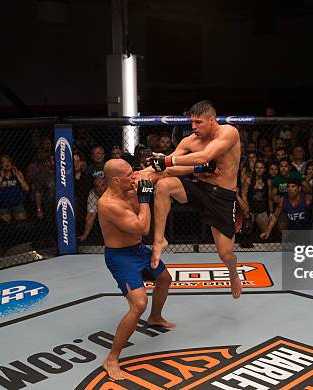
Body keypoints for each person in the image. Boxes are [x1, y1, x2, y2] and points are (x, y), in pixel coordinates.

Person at [145, 100, 243, 299]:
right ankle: (159, 240)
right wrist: (142, 172)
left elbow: (204, 157)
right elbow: (167, 166)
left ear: (212, 120)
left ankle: (233, 273)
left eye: (198, 122)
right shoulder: (189, 141)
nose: (193, 127)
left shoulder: (229, 132)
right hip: (200, 190)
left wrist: (165, 160)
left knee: (225, 254)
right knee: (163, 183)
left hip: (223, 197)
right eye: (192, 122)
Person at [97, 159, 175, 381]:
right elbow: (143, 227)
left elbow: (164, 172)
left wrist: (201, 167)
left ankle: (156, 317)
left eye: (133, 172)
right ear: (116, 179)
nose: (134, 177)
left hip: (138, 250)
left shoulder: (131, 184)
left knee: (164, 279)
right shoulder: (108, 204)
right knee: (138, 303)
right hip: (120, 257)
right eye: (129, 174)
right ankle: (112, 358)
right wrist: (144, 197)